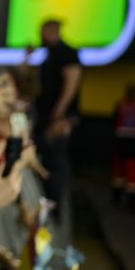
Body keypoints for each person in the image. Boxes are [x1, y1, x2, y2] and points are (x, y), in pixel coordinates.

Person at [33, 19, 82, 225]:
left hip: (57, 120)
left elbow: (72, 82)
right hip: (47, 117)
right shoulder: (49, 54)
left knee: (56, 164)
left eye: (43, 31)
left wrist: (59, 113)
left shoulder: (67, 53)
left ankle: (55, 213)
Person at [110, 83, 135, 211]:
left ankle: (116, 200)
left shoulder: (120, 105)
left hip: (120, 144)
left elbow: (113, 125)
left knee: (118, 175)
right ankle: (131, 205)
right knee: (133, 177)